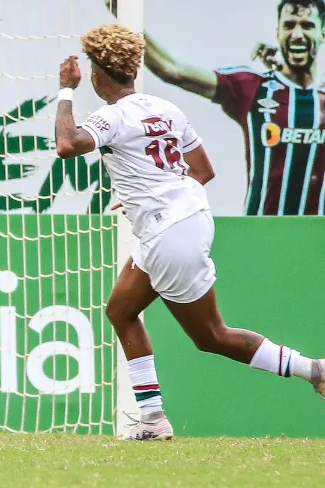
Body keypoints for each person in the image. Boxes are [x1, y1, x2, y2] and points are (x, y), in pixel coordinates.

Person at [54, 24, 325, 441]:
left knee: (212, 335)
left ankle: (315, 371)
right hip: (185, 219)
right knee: (120, 310)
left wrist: (65, 91)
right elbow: (204, 172)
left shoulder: (109, 116)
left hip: (168, 233)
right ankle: (152, 421)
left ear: (96, 74)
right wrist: (148, 198)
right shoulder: (166, 109)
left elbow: (67, 144)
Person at [145, 0, 325, 215]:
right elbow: (172, 70)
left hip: (318, 235)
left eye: (307, 25)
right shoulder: (253, 87)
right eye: (289, 25)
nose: (297, 34)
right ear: (277, 34)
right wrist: (124, 11)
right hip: (260, 233)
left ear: (322, 33)